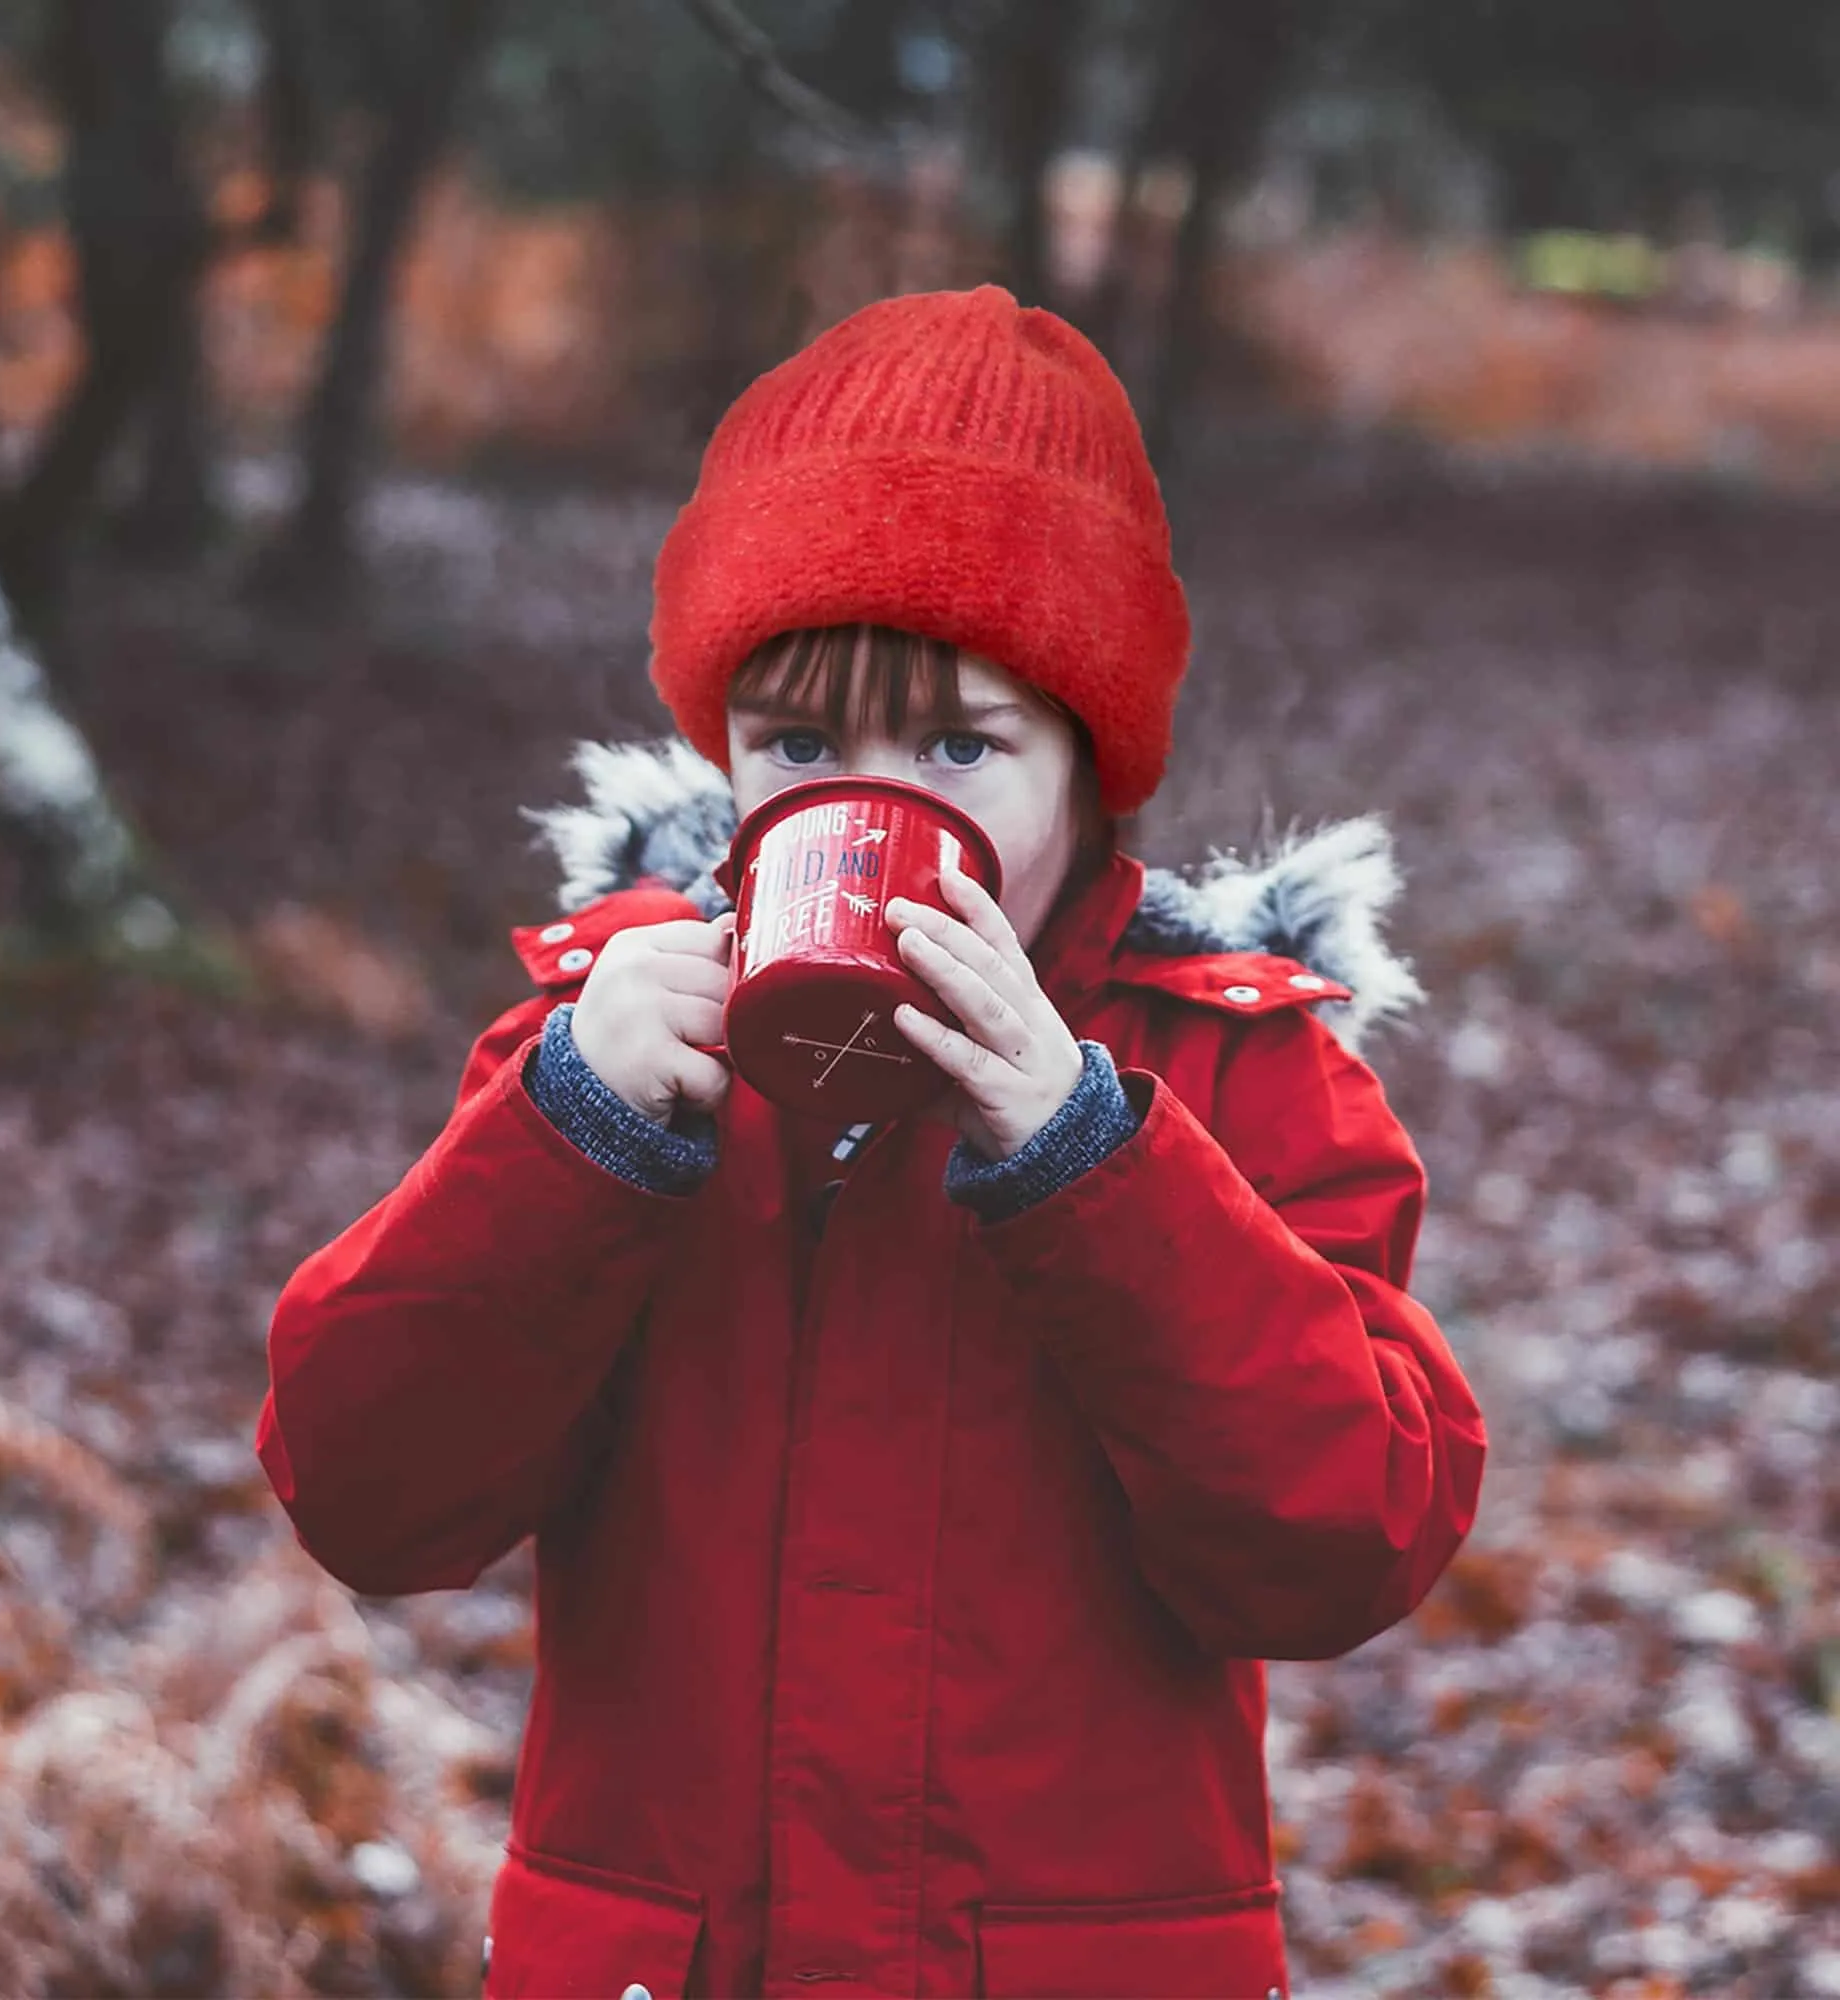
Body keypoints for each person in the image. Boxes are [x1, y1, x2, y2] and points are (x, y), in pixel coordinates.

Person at [254, 284, 1487, 1999]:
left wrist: (1086, 1160)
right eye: (801, 744)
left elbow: (1347, 1535)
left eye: (963, 745)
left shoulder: (1224, 1074)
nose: (870, 800)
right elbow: (365, 1492)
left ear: (1088, 762)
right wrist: (576, 1136)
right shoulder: (606, 1047)